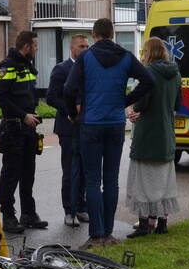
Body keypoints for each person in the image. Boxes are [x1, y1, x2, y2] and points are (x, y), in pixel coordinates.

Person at [64, 18, 154, 249]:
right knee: (111, 180)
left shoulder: (85, 57)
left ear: (94, 34)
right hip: (115, 123)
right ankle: (109, 232)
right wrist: (126, 100)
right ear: (112, 34)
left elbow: (69, 89)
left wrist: (73, 114)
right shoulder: (126, 56)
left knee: (93, 180)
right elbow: (148, 80)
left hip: (91, 124)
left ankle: (97, 234)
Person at [125, 37, 182, 237]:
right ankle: (162, 223)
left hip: (147, 134)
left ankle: (144, 225)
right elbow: (177, 104)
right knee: (164, 182)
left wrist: (134, 109)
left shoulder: (148, 73)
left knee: (143, 182)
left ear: (149, 52)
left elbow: (141, 103)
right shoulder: (175, 73)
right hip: (166, 134)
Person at [0, 30, 47, 234]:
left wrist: (32, 114)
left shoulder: (27, 66)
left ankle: (28, 214)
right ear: (26, 46)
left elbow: (27, 95)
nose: (36, 49)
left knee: (28, 174)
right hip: (14, 128)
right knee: (10, 175)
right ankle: (8, 217)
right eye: (35, 46)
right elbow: (1, 99)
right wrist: (23, 115)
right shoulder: (6, 67)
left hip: (28, 129)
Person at [46, 33, 90, 227]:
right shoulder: (61, 69)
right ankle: (69, 211)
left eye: (87, 46)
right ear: (72, 48)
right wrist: (71, 110)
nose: (85, 49)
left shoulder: (89, 68)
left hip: (86, 126)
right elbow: (51, 97)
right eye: (81, 46)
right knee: (71, 170)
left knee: (85, 169)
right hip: (68, 126)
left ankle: (81, 207)